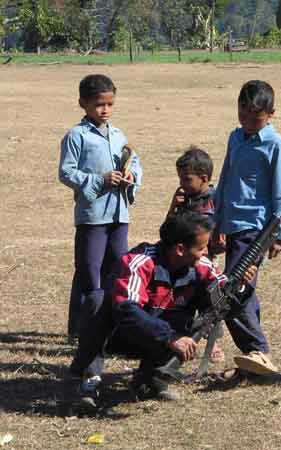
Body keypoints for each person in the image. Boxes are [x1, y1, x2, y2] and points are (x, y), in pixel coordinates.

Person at [69, 211, 256, 406]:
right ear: (180, 249)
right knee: (97, 300)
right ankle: (89, 377)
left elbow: (225, 299)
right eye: (201, 248)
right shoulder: (140, 261)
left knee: (194, 316)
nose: (205, 253)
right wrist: (170, 337)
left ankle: (149, 379)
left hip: (159, 337)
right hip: (120, 335)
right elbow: (126, 311)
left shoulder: (202, 266)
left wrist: (241, 286)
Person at [212, 80, 281, 374]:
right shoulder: (235, 138)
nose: (247, 123)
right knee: (244, 290)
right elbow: (225, 179)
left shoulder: (275, 144)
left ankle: (257, 351)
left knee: (232, 291)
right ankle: (254, 362)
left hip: (256, 229)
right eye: (242, 116)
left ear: (271, 114)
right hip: (232, 225)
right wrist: (217, 222)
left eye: (255, 119)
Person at [59, 74, 142, 340]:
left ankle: (110, 326)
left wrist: (131, 176)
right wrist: (98, 180)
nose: (105, 110)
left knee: (117, 268)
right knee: (89, 271)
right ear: (82, 103)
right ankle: (80, 329)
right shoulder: (76, 136)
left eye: (110, 104)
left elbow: (134, 162)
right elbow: (66, 172)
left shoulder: (118, 135)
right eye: (98, 104)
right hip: (92, 216)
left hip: (119, 213)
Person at [168, 146, 225, 362]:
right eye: (180, 178)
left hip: (206, 261)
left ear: (204, 178)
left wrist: (221, 236)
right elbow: (168, 229)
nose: (182, 183)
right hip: (183, 261)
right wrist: (173, 206)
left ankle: (213, 340)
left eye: (187, 179)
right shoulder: (183, 199)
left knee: (208, 299)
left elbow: (222, 225)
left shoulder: (215, 198)